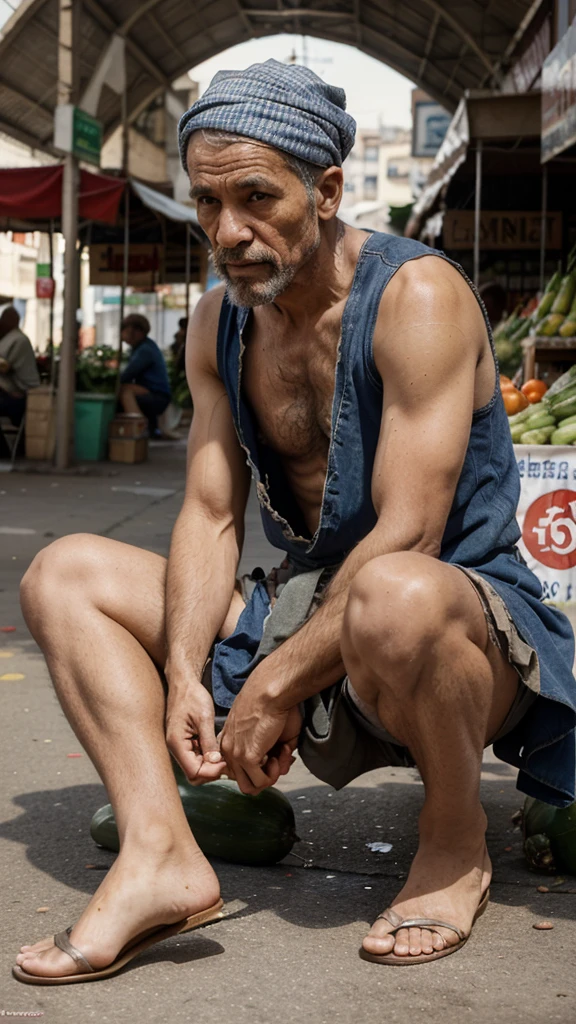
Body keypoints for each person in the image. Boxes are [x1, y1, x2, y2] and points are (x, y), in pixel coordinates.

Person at [13, 60, 576, 983]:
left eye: (256, 197)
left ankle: (454, 839)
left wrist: (271, 685)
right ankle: (159, 855)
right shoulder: (217, 325)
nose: (228, 232)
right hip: (308, 609)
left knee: (391, 591)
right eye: (205, 203)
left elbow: (411, 534)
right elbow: (206, 508)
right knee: (63, 573)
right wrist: (190, 673)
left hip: (453, 626)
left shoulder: (416, 297)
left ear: (326, 190)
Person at [119, 313, 171, 436]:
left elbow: (127, 375)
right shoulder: (142, 347)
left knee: (123, 391)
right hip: (154, 393)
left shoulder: (144, 350)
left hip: (158, 396)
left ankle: (139, 427)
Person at [0, 307, 40, 458]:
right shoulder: (8, 338)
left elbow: (4, 366)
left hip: (20, 396)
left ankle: (3, 451)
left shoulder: (17, 340)